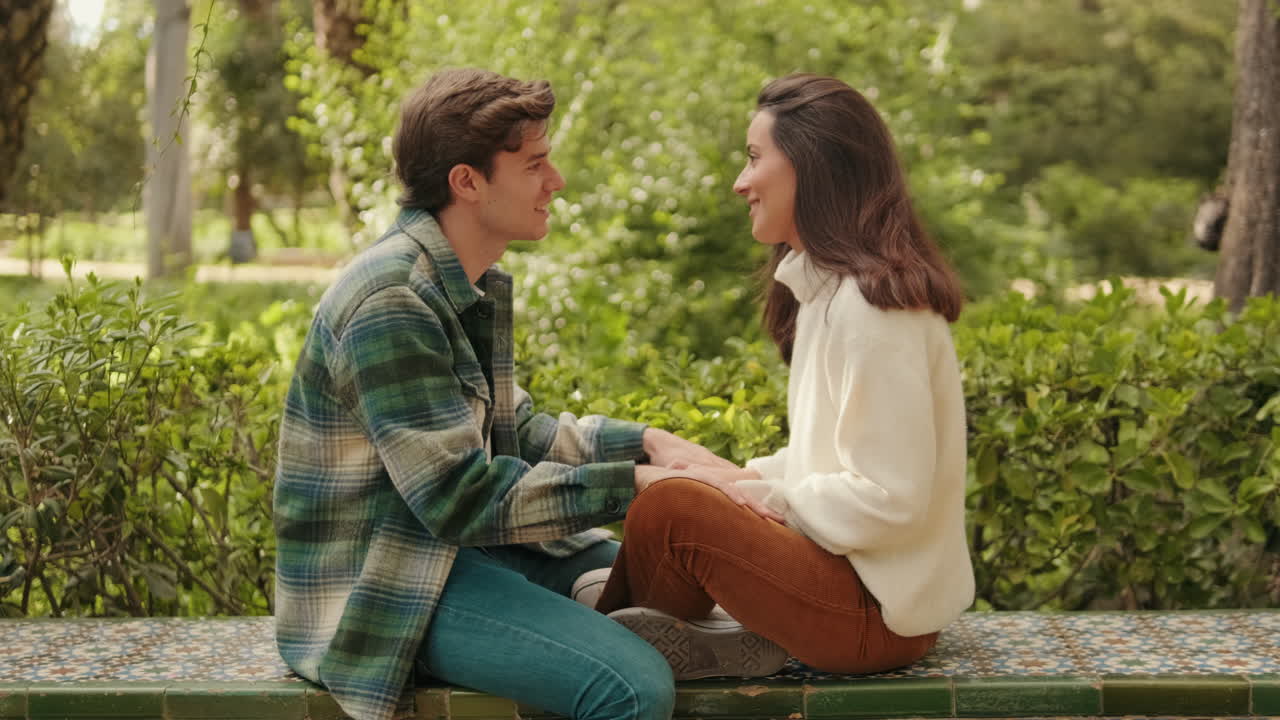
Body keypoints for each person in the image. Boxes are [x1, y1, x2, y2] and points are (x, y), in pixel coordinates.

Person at [272, 68, 780, 720]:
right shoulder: (392, 301)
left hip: (473, 553)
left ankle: (603, 609)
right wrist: (640, 486)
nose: (556, 180)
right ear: (468, 181)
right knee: (633, 687)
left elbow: (523, 430)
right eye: (536, 163)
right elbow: (459, 499)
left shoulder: (463, 281)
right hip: (387, 586)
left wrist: (657, 446)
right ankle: (600, 623)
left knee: (685, 584)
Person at [591, 73, 976, 680]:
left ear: (812, 164)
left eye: (753, 158)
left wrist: (748, 496)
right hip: (850, 586)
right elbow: (833, 464)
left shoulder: (875, 307)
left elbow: (891, 497)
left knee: (670, 508)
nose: (740, 182)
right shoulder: (831, 292)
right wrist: (738, 476)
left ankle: (604, 644)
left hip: (876, 615)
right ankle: (659, 633)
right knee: (674, 494)